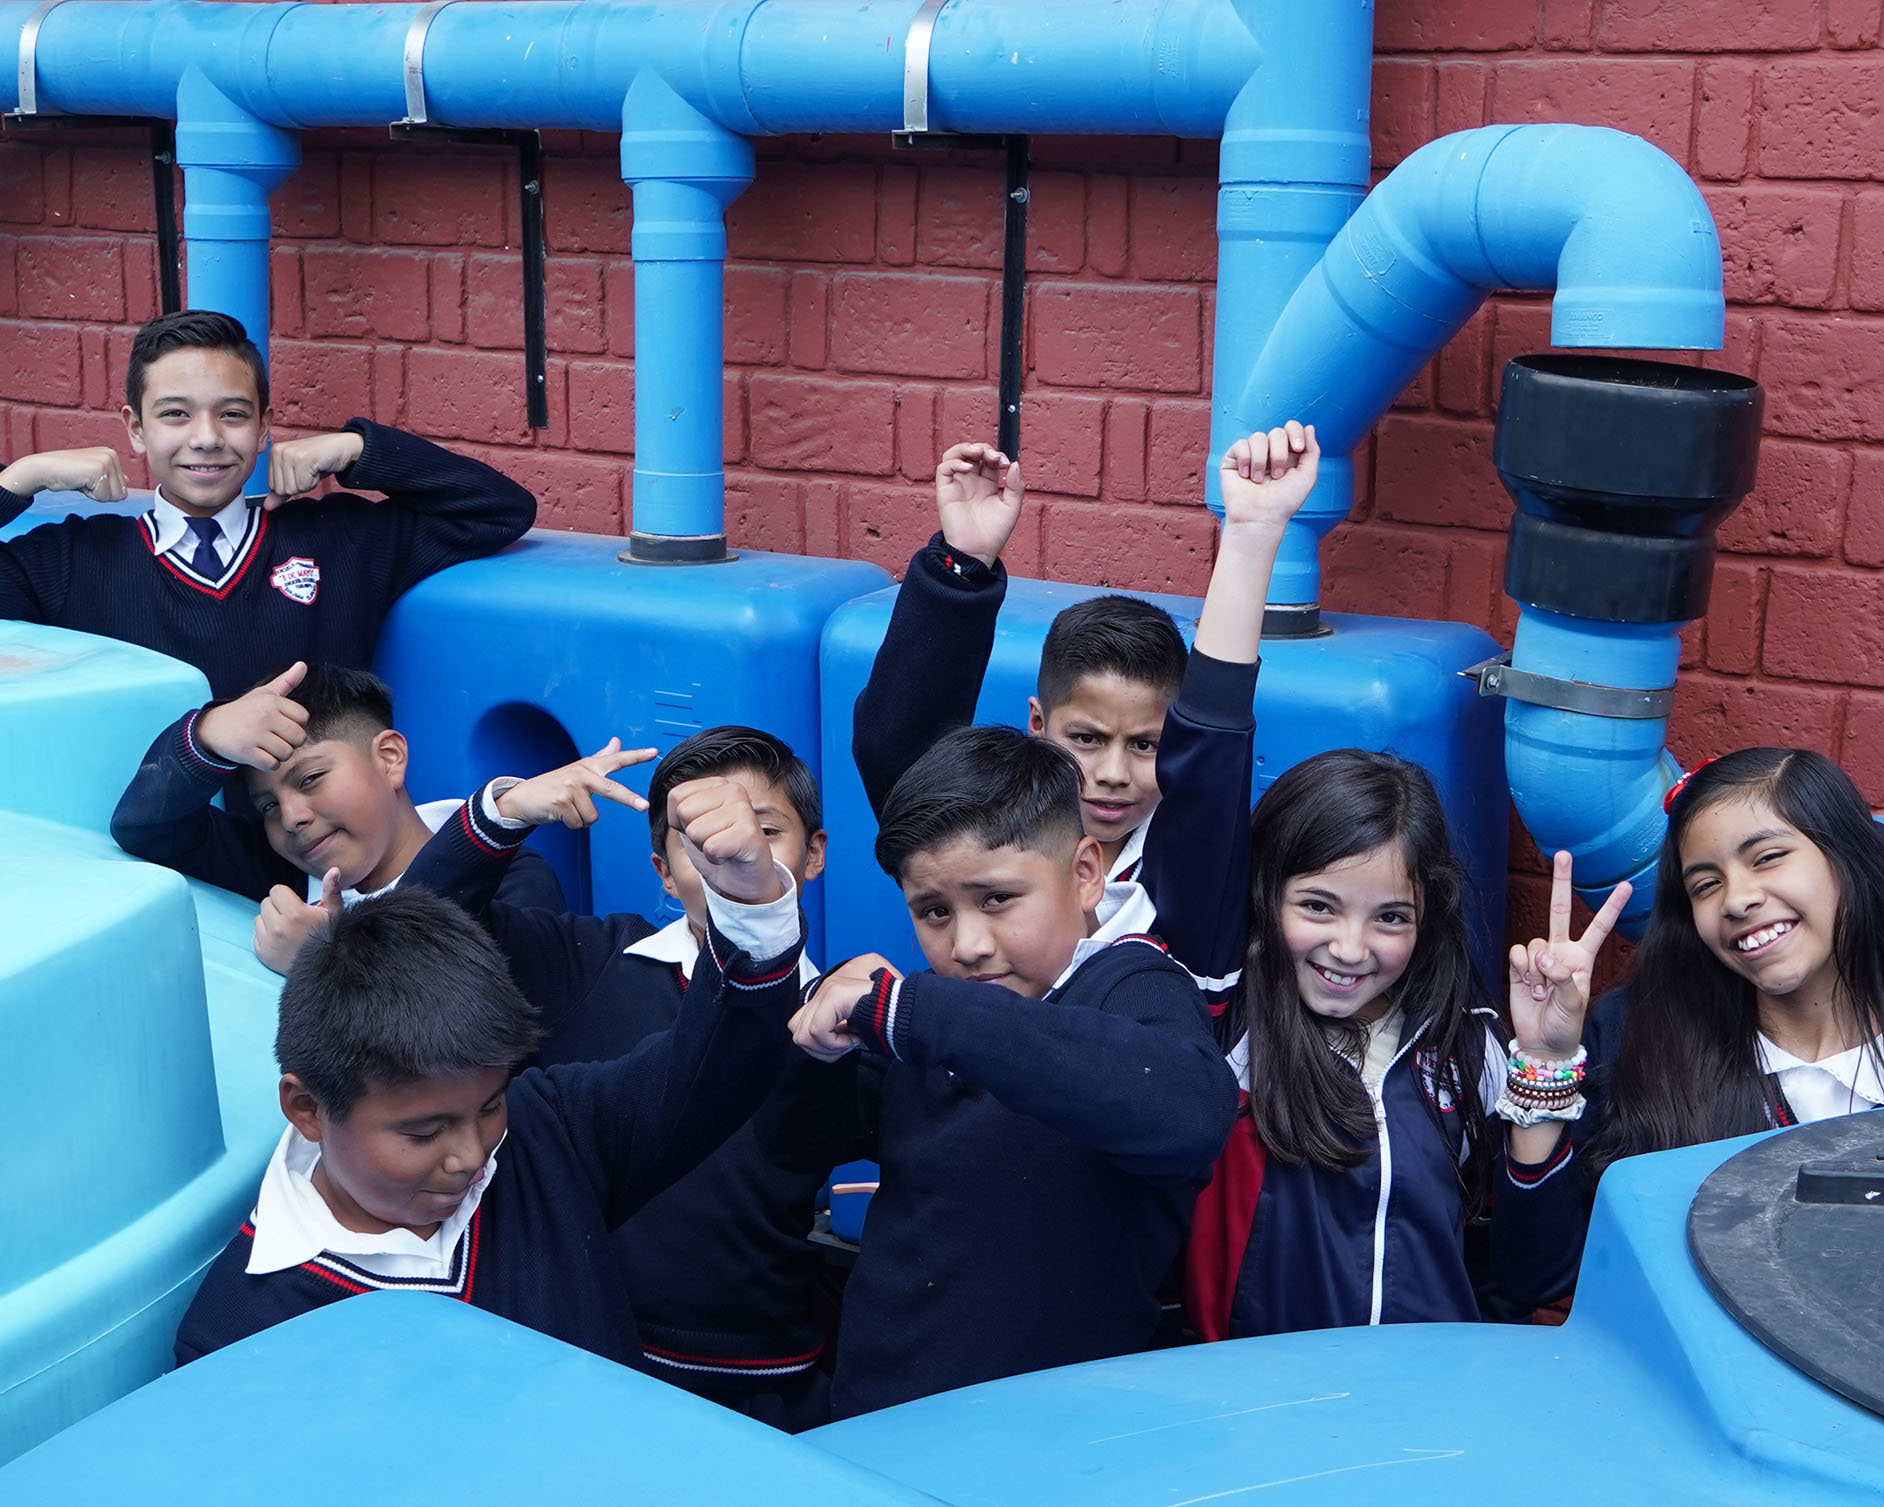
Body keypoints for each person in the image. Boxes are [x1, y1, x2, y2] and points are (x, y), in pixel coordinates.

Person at [172, 771, 807, 1369]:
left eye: (489, 1105)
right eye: (423, 1132)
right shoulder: (238, 1334)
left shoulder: (548, 1133)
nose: (469, 1155)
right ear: (308, 1109)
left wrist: (749, 903)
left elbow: (715, 1069)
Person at [766, 724, 1237, 1418]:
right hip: (879, 1430)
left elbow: (1191, 1114)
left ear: (1085, 873)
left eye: (997, 899)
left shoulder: (1134, 987)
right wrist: (817, 1043)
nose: (968, 944)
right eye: (933, 912)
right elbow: (788, 1147)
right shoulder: (923, 1015)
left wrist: (919, 1010)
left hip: (1049, 1453)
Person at [399, 726, 834, 1429]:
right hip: (575, 1361)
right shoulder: (594, 960)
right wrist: (505, 810)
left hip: (764, 1380)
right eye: (698, 836)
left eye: (762, 829)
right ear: (664, 870)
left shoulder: (836, 1014)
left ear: (813, 854)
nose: (731, 849)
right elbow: (415, 932)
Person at [1493, 748, 1884, 1310]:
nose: (1738, 899)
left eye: (1768, 857)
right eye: (1705, 884)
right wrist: (1546, 1060)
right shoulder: (1635, 1039)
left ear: (1846, 857)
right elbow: (1537, 1276)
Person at [0, 309, 534, 698]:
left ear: (264, 429)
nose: (206, 438)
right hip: (144, 835)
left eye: (232, 414)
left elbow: (499, 510)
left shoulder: (340, 539)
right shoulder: (68, 561)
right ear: (135, 429)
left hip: (307, 835)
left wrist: (356, 449)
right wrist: (22, 479)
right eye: (176, 415)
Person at [852, 440, 1187, 884]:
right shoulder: (989, 834)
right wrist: (964, 562)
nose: (1112, 774)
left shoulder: (1194, 856)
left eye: (1145, 745)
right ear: (1038, 722)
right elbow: (895, 747)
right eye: (1086, 738)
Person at [108, 661, 563, 973]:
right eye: (267, 806)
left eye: (309, 779)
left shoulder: (508, 878)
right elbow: (148, 827)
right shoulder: (278, 874)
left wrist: (331, 957)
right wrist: (206, 735)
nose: (291, 818)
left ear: (389, 758)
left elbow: (484, 1016)